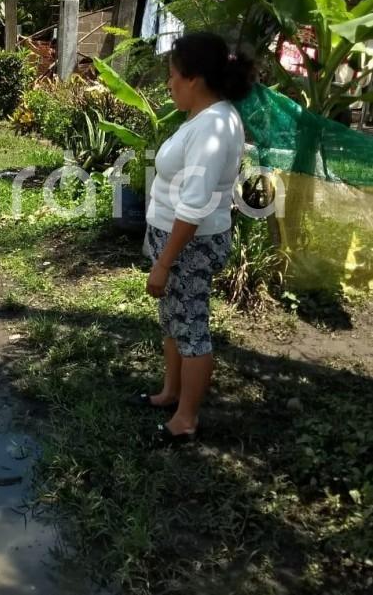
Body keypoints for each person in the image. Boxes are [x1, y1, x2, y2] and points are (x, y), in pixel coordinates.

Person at [135, 32, 254, 444]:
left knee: (192, 328)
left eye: (172, 76)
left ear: (195, 79)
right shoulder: (203, 117)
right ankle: (171, 392)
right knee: (173, 321)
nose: (169, 84)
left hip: (190, 246)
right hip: (178, 241)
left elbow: (195, 204)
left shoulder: (214, 125)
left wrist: (164, 262)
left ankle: (186, 418)